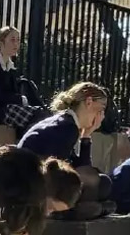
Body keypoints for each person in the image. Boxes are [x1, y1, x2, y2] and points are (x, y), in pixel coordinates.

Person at [18, 82, 115, 221]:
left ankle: (76, 209)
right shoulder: (67, 128)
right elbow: (66, 175)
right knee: (103, 184)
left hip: (38, 181)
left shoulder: (66, 122)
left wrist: (86, 136)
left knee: (102, 183)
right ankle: (63, 212)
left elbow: (81, 168)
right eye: (101, 109)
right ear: (88, 102)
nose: (101, 116)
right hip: (32, 188)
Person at [0, 26, 46, 136]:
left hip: (7, 109)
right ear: (0, 42)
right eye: (12, 40)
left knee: (41, 113)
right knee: (35, 115)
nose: (16, 44)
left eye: (18, 40)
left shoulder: (10, 68)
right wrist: (20, 99)